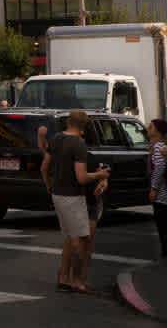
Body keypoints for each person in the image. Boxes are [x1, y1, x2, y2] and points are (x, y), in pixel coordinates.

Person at [42, 109, 111, 293]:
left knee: (71, 237)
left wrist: (49, 186)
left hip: (58, 194)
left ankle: (64, 277)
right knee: (81, 240)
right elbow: (81, 177)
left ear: (68, 122)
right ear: (84, 127)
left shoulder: (56, 138)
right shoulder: (78, 144)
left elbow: (44, 167)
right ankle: (77, 281)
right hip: (73, 196)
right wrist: (100, 175)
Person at [148, 119, 167, 257]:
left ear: (158, 131)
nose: (148, 128)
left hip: (163, 193)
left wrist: (154, 189)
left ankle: (166, 250)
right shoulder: (160, 145)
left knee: (162, 222)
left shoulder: (158, 146)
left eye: (151, 127)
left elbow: (159, 168)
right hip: (166, 191)